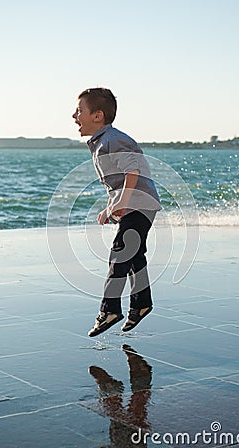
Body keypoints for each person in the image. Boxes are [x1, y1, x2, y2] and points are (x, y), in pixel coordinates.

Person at [72, 88, 161, 337]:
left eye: (79, 111)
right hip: (138, 204)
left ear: (98, 115)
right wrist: (111, 206)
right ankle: (142, 303)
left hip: (140, 204)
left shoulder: (113, 139)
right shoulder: (102, 141)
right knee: (134, 254)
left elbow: (133, 171)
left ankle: (109, 309)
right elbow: (121, 180)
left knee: (119, 253)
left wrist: (121, 202)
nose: (74, 116)